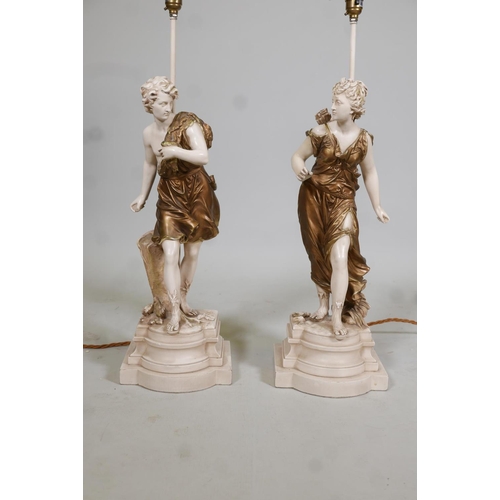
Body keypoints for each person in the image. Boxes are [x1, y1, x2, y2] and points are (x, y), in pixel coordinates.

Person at [291, 78, 389, 337]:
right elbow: (298, 155)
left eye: (338, 102)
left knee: (340, 255)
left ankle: (336, 316)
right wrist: (299, 168)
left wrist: (377, 205)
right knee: (317, 253)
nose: (332, 106)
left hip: (344, 201)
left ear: (353, 107)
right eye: (333, 101)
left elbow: (370, 172)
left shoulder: (364, 139)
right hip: (313, 198)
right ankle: (322, 305)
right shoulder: (321, 132)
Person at [130, 76, 220, 333]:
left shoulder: (187, 124)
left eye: (170, 102)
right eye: (162, 104)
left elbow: (203, 156)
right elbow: (150, 163)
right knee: (170, 253)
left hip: (196, 191)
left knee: (192, 253)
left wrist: (175, 151)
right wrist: (143, 195)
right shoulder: (148, 133)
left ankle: (182, 299)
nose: (168, 108)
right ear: (149, 105)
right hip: (169, 193)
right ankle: (173, 310)